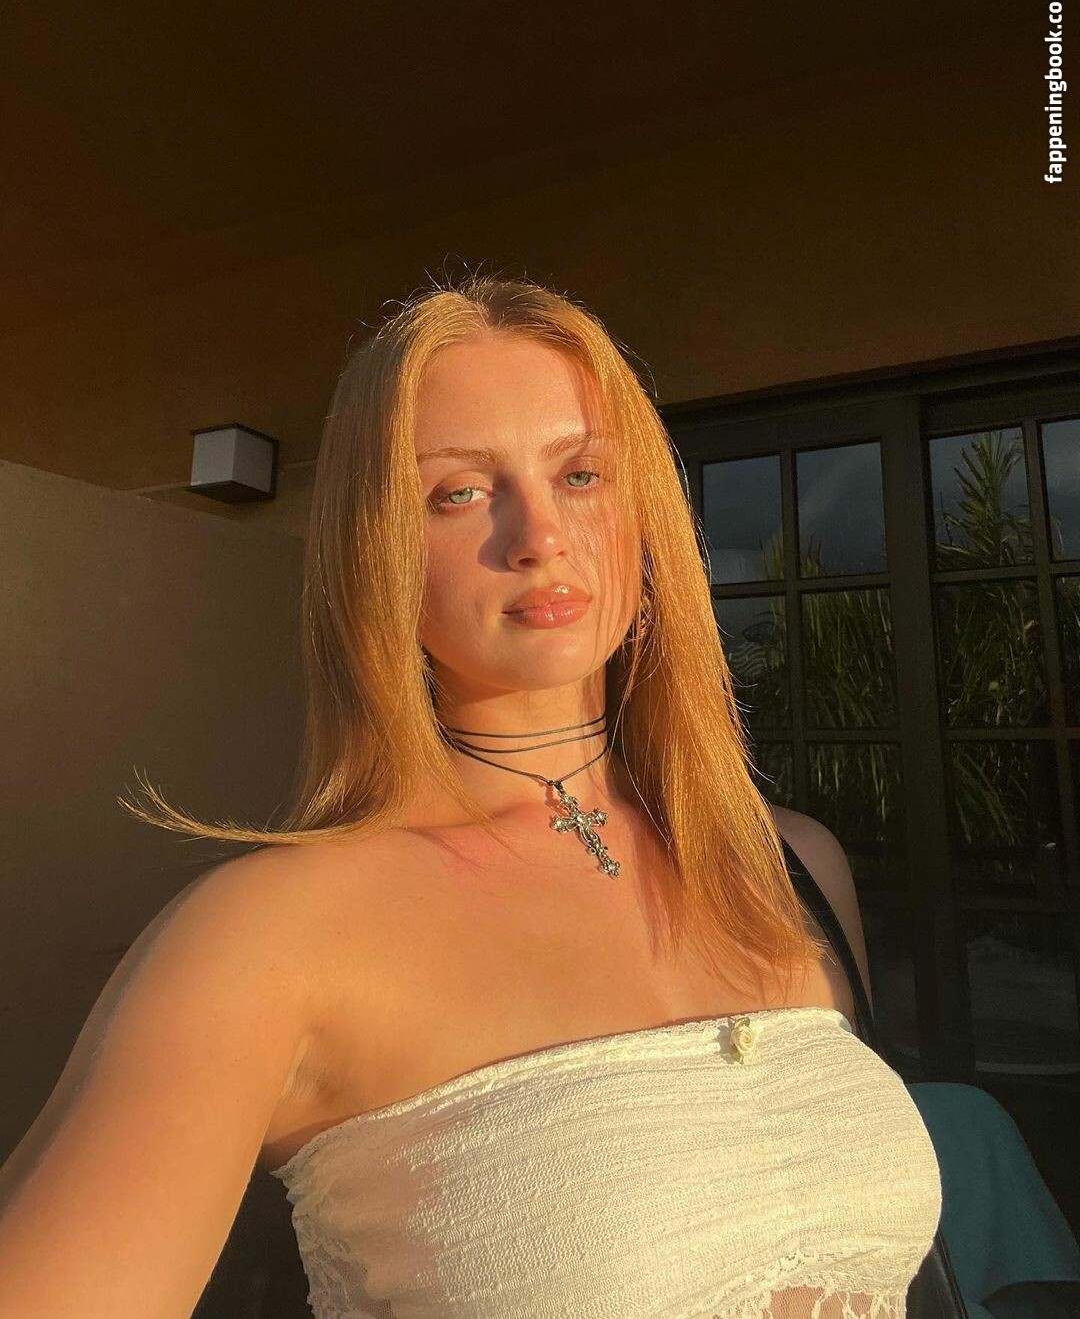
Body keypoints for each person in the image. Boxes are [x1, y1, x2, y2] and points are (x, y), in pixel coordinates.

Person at [0, 272, 942, 1318]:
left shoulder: (788, 864)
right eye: (457, 492)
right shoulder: (266, 937)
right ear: (374, 553)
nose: (540, 534)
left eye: (581, 473)